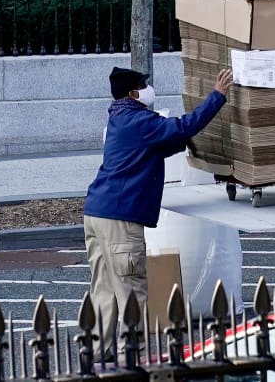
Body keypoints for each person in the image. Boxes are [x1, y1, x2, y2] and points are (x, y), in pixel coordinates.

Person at [84, 65, 233, 358]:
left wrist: (186, 141)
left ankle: (99, 352)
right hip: (119, 218)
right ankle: (134, 354)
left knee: (104, 289)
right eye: (143, 85)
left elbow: (161, 144)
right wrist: (217, 96)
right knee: (131, 288)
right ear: (132, 93)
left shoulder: (120, 118)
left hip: (96, 213)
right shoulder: (139, 121)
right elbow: (180, 128)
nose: (148, 89)